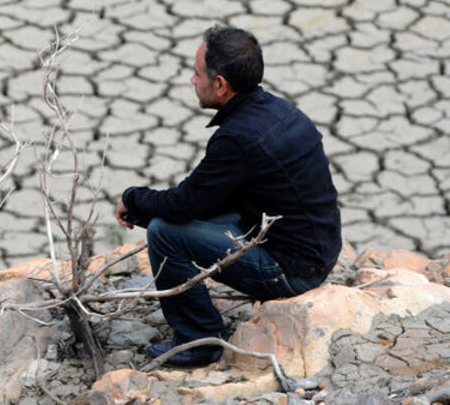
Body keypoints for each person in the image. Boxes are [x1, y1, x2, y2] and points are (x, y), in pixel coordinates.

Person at [115, 25, 341, 367]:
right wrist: (145, 211)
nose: (193, 81)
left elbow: (183, 204)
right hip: (318, 252)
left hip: (293, 273)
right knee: (177, 218)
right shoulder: (280, 112)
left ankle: (198, 340)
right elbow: (206, 198)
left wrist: (132, 198)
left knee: (165, 232)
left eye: (197, 74)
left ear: (220, 84)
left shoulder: (238, 138)